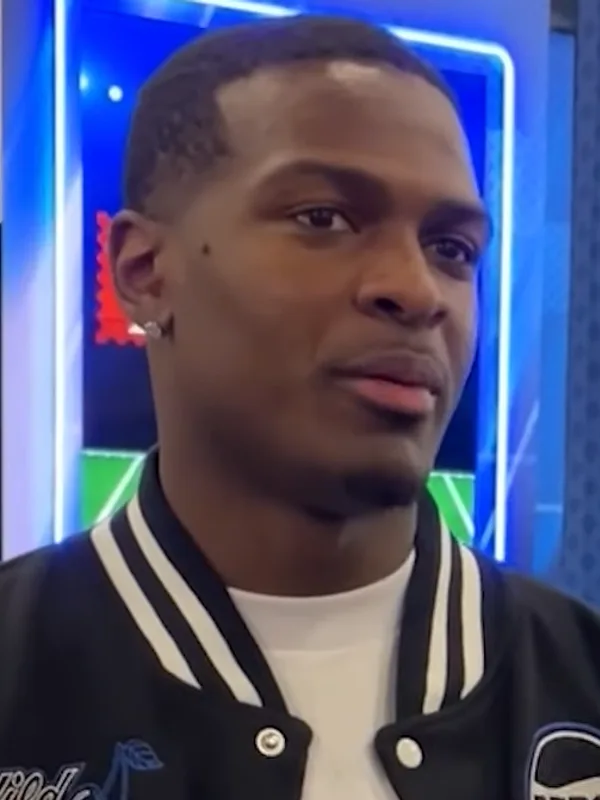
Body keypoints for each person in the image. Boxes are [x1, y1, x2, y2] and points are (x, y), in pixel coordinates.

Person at [0, 15, 599, 800]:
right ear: (144, 272)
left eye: (451, 249)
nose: (417, 290)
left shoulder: (577, 676)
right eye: (324, 219)